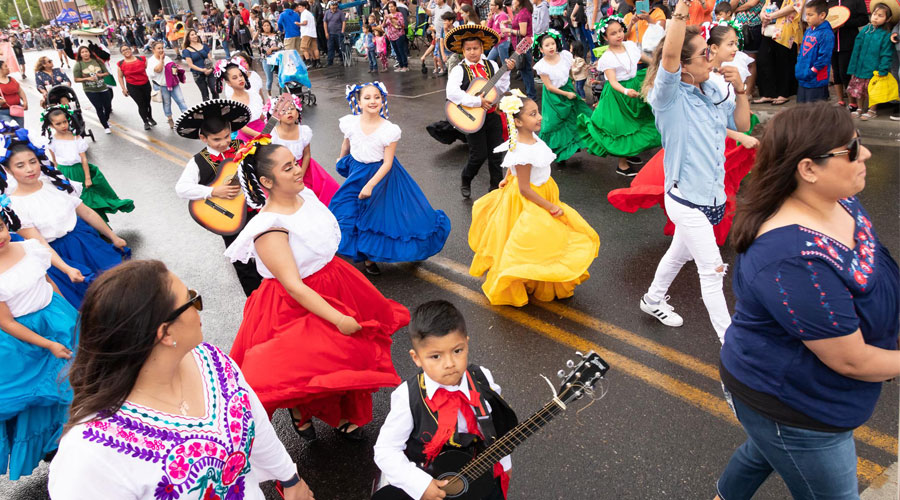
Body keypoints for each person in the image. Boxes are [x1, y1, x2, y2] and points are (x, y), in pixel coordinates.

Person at [716, 103, 899, 500]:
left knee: (763, 449)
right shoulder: (790, 258)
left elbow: (873, 267)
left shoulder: (840, 200)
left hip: (804, 397)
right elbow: (851, 360)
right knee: (785, 451)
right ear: (808, 169)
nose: (865, 154)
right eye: (850, 149)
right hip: (797, 407)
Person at [47, 260, 316, 500]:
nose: (199, 306)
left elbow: (255, 421)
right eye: (190, 300)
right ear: (164, 333)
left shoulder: (211, 361)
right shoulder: (90, 456)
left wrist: (290, 478)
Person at [224, 138, 409, 441]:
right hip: (296, 305)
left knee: (345, 359)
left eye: (295, 163)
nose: (298, 170)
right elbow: (294, 286)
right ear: (267, 181)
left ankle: (339, 412)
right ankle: (298, 408)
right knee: (308, 367)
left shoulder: (304, 194)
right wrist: (337, 318)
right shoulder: (269, 228)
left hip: (335, 283)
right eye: (288, 168)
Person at [638, 0, 750, 343]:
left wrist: (742, 90)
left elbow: (741, 122)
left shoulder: (715, 87)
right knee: (712, 271)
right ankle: (732, 347)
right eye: (704, 53)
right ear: (683, 66)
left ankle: (653, 299)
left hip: (712, 196)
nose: (711, 57)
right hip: (685, 199)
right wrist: (682, 9)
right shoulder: (668, 96)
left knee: (677, 255)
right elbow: (668, 56)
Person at [373, 300, 517, 500]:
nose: (449, 364)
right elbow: (386, 450)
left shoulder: (482, 378)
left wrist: (504, 463)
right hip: (429, 477)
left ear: (467, 343)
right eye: (435, 357)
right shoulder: (408, 396)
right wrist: (421, 485)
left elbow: (498, 429)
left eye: (457, 351)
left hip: (475, 476)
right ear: (416, 358)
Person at [468, 90, 599, 306]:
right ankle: (525, 277)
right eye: (532, 114)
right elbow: (524, 188)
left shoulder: (527, 137)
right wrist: (550, 207)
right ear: (518, 121)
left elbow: (514, 165)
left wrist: (507, 176)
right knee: (534, 240)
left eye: (537, 112)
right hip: (532, 199)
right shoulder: (523, 150)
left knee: (540, 240)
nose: (539, 117)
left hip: (542, 190)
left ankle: (536, 277)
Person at [330, 82, 452, 275]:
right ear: (359, 102)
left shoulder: (388, 129)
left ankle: (370, 259)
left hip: (381, 177)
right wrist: (341, 159)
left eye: (377, 97)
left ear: (383, 100)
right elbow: (346, 144)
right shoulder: (350, 123)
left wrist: (370, 186)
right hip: (357, 173)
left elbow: (387, 163)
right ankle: (360, 252)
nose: (372, 101)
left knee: (381, 218)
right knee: (344, 209)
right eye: (367, 97)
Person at [1, 130, 128, 308]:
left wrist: (113, 236)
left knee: (118, 289)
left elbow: (87, 212)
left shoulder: (56, 183)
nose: (30, 169)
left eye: (33, 162)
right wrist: (66, 268)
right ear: (8, 170)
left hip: (86, 242)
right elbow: (39, 242)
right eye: (20, 165)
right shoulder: (13, 206)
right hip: (58, 257)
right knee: (92, 304)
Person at [0, 199, 78, 481]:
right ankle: (55, 448)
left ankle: (80, 433)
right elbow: (6, 322)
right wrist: (47, 344)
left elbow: (49, 284)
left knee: (76, 379)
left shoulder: (30, 248)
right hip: (22, 341)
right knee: (43, 396)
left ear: (6, 222)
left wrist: (70, 313)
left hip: (57, 318)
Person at [174, 100, 263, 297]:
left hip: (255, 212)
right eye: (216, 140)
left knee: (269, 255)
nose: (223, 143)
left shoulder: (242, 147)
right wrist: (213, 192)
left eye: (226, 137)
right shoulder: (198, 161)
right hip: (228, 218)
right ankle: (256, 303)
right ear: (203, 138)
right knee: (244, 266)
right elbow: (181, 188)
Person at [578, 16, 658, 176]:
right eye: (613, 33)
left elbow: (647, 59)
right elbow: (613, 82)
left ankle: (630, 153)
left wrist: (659, 66)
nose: (619, 35)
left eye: (620, 31)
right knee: (621, 127)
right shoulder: (607, 57)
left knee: (637, 123)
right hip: (618, 95)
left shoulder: (629, 46)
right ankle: (621, 165)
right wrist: (626, 91)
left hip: (635, 85)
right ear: (606, 37)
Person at [445, 24, 516, 198]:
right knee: (478, 155)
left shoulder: (491, 65)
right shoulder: (459, 70)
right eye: (468, 49)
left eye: (475, 48)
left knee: (496, 154)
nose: (472, 52)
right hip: (471, 118)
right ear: (462, 50)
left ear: (482, 48)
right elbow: (452, 93)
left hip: (492, 116)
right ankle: (466, 178)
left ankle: (495, 188)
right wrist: (477, 101)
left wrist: (506, 72)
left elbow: (499, 90)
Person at [43, 106, 135, 222]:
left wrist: (87, 178)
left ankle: (100, 226)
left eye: (64, 122)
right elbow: (54, 161)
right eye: (58, 124)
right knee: (72, 202)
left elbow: (84, 160)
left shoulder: (76, 138)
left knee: (87, 200)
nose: (63, 126)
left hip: (79, 171)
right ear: (51, 125)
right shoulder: (51, 141)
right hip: (64, 172)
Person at [532, 29, 592, 164]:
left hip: (567, 89)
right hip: (553, 96)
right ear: (541, 49)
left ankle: (569, 147)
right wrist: (566, 94)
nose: (551, 47)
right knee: (553, 124)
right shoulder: (542, 66)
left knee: (573, 118)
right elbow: (549, 87)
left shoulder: (565, 56)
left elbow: (570, 73)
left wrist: (572, 85)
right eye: (546, 45)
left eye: (552, 44)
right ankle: (554, 152)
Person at [266, 95, 340, 205]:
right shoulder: (273, 135)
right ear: (277, 115)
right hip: (282, 171)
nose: (289, 112)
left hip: (304, 167)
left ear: (298, 111)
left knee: (327, 190)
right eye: (284, 110)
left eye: (292, 108)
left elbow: (306, 155)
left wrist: (301, 173)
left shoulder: (304, 131)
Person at [846, 3, 894, 120]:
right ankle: (860, 108)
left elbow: (886, 54)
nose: (875, 17)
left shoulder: (886, 35)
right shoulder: (866, 30)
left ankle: (872, 110)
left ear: (888, 19)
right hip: (860, 67)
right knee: (858, 89)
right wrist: (853, 66)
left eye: (880, 15)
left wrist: (883, 69)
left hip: (874, 69)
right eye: (874, 14)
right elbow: (856, 49)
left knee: (873, 91)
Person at [754, 0, 801, 105]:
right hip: (769, 29)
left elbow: (794, 6)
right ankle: (768, 93)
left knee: (783, 62)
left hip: (786, 29)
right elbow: (765, 6)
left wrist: (772, 15)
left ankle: (783, 94)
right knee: (763, 60)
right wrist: (763, 15)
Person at [828, 0, 869, 109]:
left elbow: (864, 19)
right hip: (832, 42)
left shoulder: (856, 1)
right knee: (836, 72)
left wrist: (845, 23)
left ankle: (853, 102)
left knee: (845, 72)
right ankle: (840, 100)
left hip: (849, 41)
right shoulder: (830, 2)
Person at [216, 59, 266, 142]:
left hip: (263, 130)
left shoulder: (253, 94)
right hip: (248, 139)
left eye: (241, 75)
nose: (240, 79)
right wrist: (260, 135)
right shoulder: (231, 104)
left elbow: (261, 116)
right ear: (228, 83)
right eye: (235, 78)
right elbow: (242, 128)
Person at [793, 0, 834, 103]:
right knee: (802, 110)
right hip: (803, 77)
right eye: (806, 14)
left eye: (810, 15)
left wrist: (812, 71)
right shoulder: (808, 31)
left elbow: (824, 57)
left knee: (814, 112)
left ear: (822, 15)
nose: (807, 18)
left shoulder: (826, 34)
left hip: (816, 80)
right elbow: (802, 51)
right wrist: (799, 67)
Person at [147, 41, 189, 129]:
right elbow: (158, 70)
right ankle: (170, 119)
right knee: (167, 103)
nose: (161, 50)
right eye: (159, 48)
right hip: (162, 86)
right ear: (153, 50)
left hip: (173, 84)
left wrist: (175, 69)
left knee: (181, 100)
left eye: (162, 48)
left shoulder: (167, 58)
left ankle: (187, 119)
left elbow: (173, 67)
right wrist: (161, 60)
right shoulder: (151, 61)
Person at [115, 44, 156, 130]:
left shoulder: (142, 59)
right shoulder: (121, 64)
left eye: (127, 49)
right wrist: (123, 88)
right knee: (141, 104)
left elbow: (148, 69)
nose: (126, 51)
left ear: (131, 49)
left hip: (145, 84)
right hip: (132, 87)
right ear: (121, 53)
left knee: (147, 103)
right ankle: (145, 122)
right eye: (123, 50)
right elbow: (120, 77)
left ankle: (150, 117)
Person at [182, 29, 218, 101]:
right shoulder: (186, 51)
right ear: (188, 38)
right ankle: (208, 111)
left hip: (210, 71)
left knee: (215, 90)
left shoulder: (204, 46)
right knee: (205, 94)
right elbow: (190, 64)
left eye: (195, 34)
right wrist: (202, 70)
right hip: (198, 74)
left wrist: (210, 69)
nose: (195, 36)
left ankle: (217, 107)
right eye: (192, 35)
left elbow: (210, 58)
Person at [258, 20, 284, 95]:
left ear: (270, 26)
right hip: (266, 59)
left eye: (268, 25)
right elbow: (259, 46)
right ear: (262, 27)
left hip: (277, 58)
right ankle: (269, 93)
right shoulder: (261, 36)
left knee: (280, 77)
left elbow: (281, 45)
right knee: (270, 79)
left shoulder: (276, 35)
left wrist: (272, 48)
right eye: (265, 25)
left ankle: (282, 93)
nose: (266, 27)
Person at [384, 1, 410, 71]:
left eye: (392, 6)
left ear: (395, 7)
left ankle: (405, 66)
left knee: (401, 50)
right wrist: (385, 18)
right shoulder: (388, 15)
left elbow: (400, 24)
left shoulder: (399, 14)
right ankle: (400, 65)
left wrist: (391, 18)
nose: (390, 8)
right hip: (391, 36)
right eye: (389, 7)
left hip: (399, 35)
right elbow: (384, 25)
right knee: (396, 51)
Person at [0, 60, 27, 128]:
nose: (8, 68)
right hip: (3, 112)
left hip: (17, 109)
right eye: (5, 66)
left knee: (21, 129)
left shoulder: (12, 79)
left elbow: (20, 91)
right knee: (11, 129)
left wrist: (24, 101)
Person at [297, 1, 321, 67]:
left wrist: (298, 24)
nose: (299, 8)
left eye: (300, 7)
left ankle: (308, 61)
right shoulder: (310, 13)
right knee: (314, 48)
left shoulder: (304, 13)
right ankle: (317, 62)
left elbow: (305, 23)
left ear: (304, 7)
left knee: (303, 48)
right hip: (313, 33)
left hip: (306, 33)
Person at [324, 1, 347, 66]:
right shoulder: (327, 12)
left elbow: (344, 22)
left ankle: (342, 60)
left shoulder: (340, 12)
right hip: (330, 33)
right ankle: (329, 62)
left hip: (338, 33)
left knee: (340, 47)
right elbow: (325, 22)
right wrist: (326, 32)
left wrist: (342, 31)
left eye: (335, 5)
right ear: (330, 6)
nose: (334, 7)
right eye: (332, 5)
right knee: (330, 48)